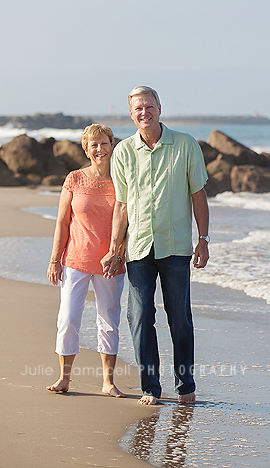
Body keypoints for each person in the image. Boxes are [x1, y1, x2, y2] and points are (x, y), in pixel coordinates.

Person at [101, 85, 210, 405]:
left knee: (180, 318)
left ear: (159, 108)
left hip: (175, 246)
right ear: (131, 113)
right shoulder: (122, 152)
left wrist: (203, 240)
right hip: (138, 248)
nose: (144, 113)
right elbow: (121, 206)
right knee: (139, 317)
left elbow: (198, 195)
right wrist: (114, 249)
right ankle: (151, 387)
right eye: (138, 109)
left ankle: (185, 386)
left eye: (149, 106)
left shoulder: (186, 145)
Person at [46, 124, 127, 397]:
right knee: (68, 319)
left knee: (108, 321)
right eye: (93, 145)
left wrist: (118, 254)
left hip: (110, 264)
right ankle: (64, 378)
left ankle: (107, 382)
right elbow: (62, 221)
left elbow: (130, 222)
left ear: (112, 145)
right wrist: (54, 260)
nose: (99, 149)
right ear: (86, 148)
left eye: (104, 143)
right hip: (75, 260)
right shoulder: (75, 178)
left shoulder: (122, 179)